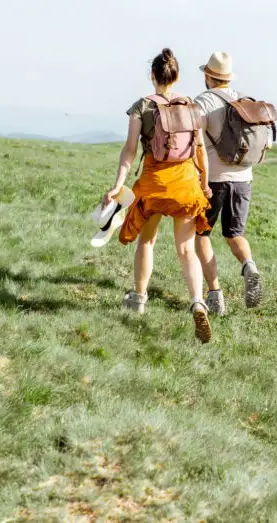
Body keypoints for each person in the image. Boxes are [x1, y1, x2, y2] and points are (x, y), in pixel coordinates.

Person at [103, 48, 215, 343]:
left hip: (154, 183)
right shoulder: (191, 106)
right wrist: (204, 183)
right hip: (186, 183)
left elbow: (129, 150)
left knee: (147, 240)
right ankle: (197, 302)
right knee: (186, 250)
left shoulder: (142, 106)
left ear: (152, 76)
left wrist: (118, 184)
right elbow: (200, 149)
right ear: (176, 78)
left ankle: (139, 297)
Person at [193, 51, 263, 316]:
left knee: (202, 234)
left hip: (213, 180)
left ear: (208, 76)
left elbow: (195, 142)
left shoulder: (203, 102)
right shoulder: (241, 101)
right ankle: (249, 266)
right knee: (235, 234)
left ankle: (215, 294)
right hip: (243, 179)